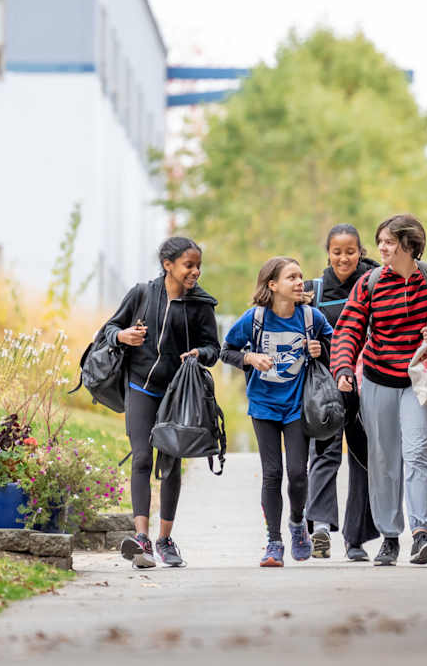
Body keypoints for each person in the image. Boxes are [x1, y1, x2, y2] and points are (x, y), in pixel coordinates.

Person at [330, 214, 427, 566]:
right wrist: (344, 367)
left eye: (389, 242)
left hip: (419, 381)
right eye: (380, 242)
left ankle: (422, 533)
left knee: (419, 451)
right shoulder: (371, 282)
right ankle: (389, 536)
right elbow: (349, 328)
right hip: (378, 378)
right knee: (383, 457)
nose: (382, 248)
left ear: (410, 245)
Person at [103, 237, 221, 569]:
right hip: (141, 385)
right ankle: (141, 539)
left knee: (170, 463)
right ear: (167, 264)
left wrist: (200, 354)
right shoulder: (141, 293)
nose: (195, 271)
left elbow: (214, 348)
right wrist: (123, 336)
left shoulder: (201, 305)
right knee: (142, 457)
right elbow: (109, 329)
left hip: (177, 393)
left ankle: (165, 540)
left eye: (198, 265)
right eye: (189, 265)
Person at [222, 257, 335, 567]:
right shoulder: (254, 318)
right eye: (291, 277)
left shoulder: (311, 317)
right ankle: (274, 542)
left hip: (298, 406)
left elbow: (333, 345)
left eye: (300, 276)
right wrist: (250, 358)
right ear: (272, 285)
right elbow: (226, 351)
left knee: (298, 474)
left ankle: (297, 524)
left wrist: (320, 350)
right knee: (272, 473)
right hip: (263, 404)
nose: (300, 282)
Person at [302, 224, 381, 561]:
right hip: (327, 389)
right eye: (337, 252)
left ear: (360, 252)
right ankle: (320, 527)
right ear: (328, 253)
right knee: (324, 454)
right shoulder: (313, 290)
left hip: (368, 386)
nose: (343, 258)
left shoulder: (377, 285)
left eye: (350, 251)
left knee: (363, 460)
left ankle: (356, 540)